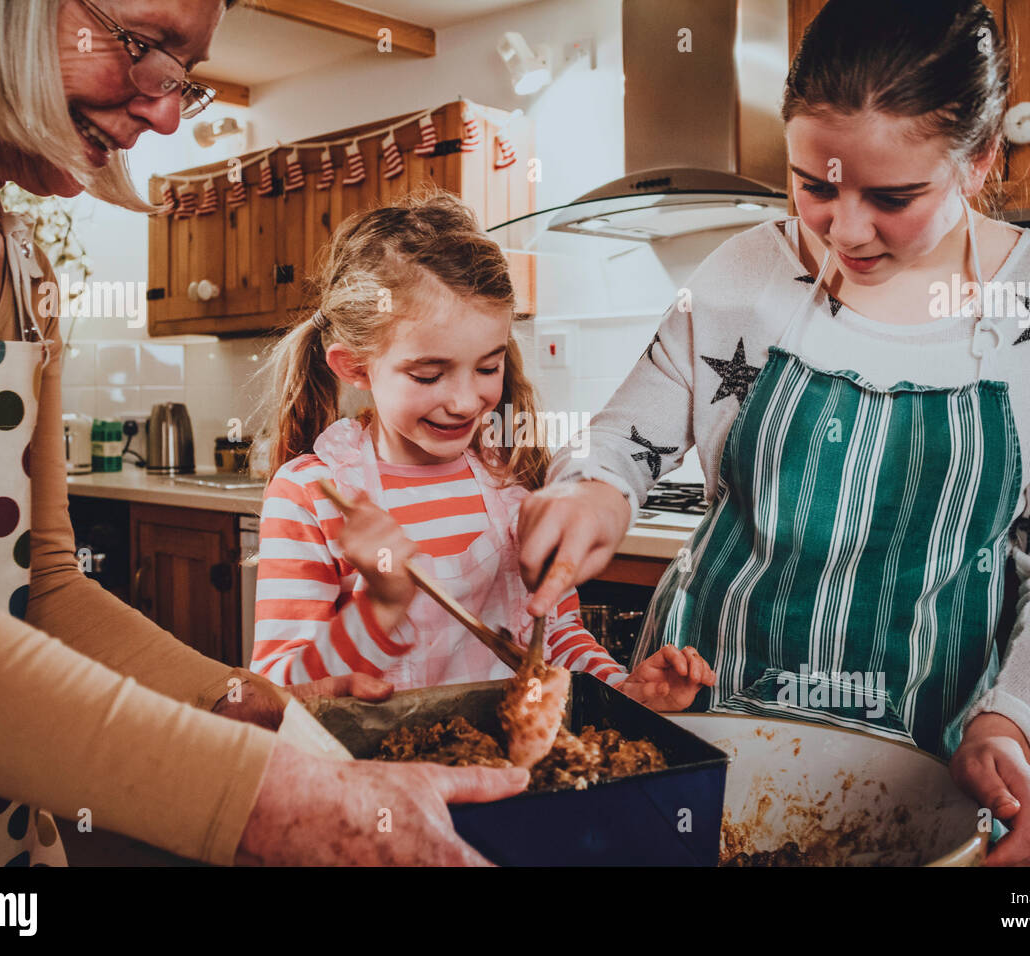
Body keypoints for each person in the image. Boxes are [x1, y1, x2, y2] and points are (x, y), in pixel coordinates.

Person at [0, 0, 526, 868]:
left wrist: (250, 702)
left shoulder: (27, 270)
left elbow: (45, 583)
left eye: (179, 75)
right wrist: (264, 801)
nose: (165, 111)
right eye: (142, 46)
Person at [517, 0, 1030, 867]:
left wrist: (1014, 726)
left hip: (923, 774)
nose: (846, 230)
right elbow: (620, 444)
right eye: (814, 184)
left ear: (981, 159)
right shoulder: (745, 270)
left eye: (894, 196)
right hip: (701, 741)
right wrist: (589, 493)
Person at [249, 188, 715, 709]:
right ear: (355, 367)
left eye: (488, 367)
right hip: (380, 780)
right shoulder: (312, 496)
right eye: (428, 374)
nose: (467, 401)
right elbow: (280, 694)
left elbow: (555, 640)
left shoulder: (511, 482)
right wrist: (377, 609)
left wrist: (623, 692)